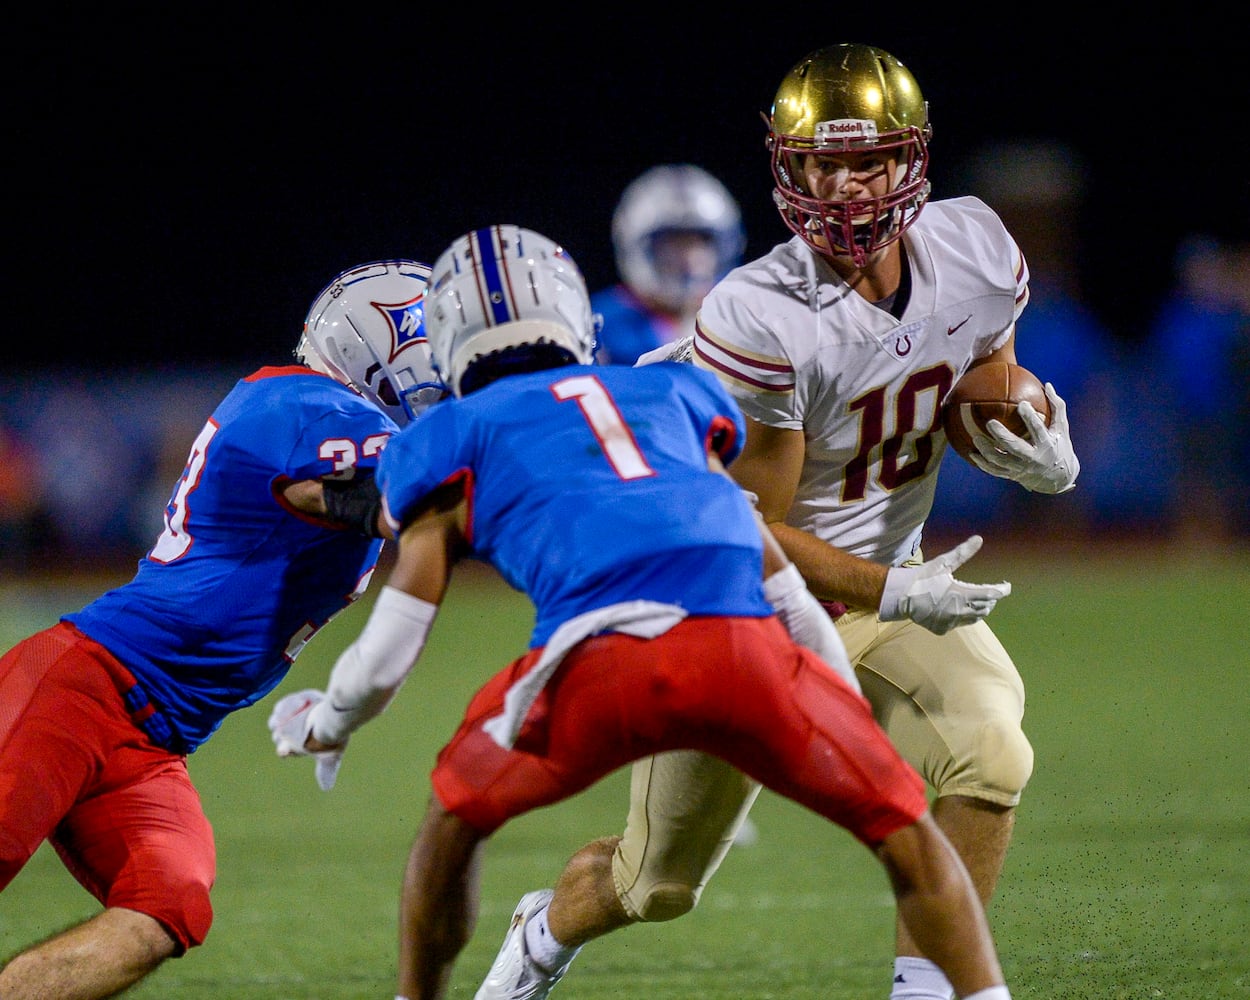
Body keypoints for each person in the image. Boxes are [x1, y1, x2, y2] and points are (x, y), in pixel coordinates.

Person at [268, 224, 1014, 1000]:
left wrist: (331, 720)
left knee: (453, 826)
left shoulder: (449, 434)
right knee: (910, 839)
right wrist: (826, 695)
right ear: (574, 316)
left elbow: (393, 640)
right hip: (746, 654)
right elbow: (763, 560)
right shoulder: (675, 391)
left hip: (595, 669)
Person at [483, 43, 1082, 1000]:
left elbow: (972, 391)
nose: (842, 187)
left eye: (866, 160)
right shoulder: (762, 311)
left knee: (990, 750)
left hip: (883, 594)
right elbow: (745, 523)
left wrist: (1037, 437)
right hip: (738, 610)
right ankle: (540, 935)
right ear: (787, 167)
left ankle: (926, 991)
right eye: (818, 163)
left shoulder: (976, 249)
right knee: (656, 885)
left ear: (913, 159)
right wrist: (895, 584)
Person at [0, 259, 442, 999]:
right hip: (81, 687)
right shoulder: (302, 401)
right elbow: (362, 493)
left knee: (166, 908)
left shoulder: (326, 415)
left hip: (154, 743)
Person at [591, 163, 745, 365]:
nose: (688, 259)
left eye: (699, 243)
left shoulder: (742, 315)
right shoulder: (600, 326)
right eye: (673, 245)